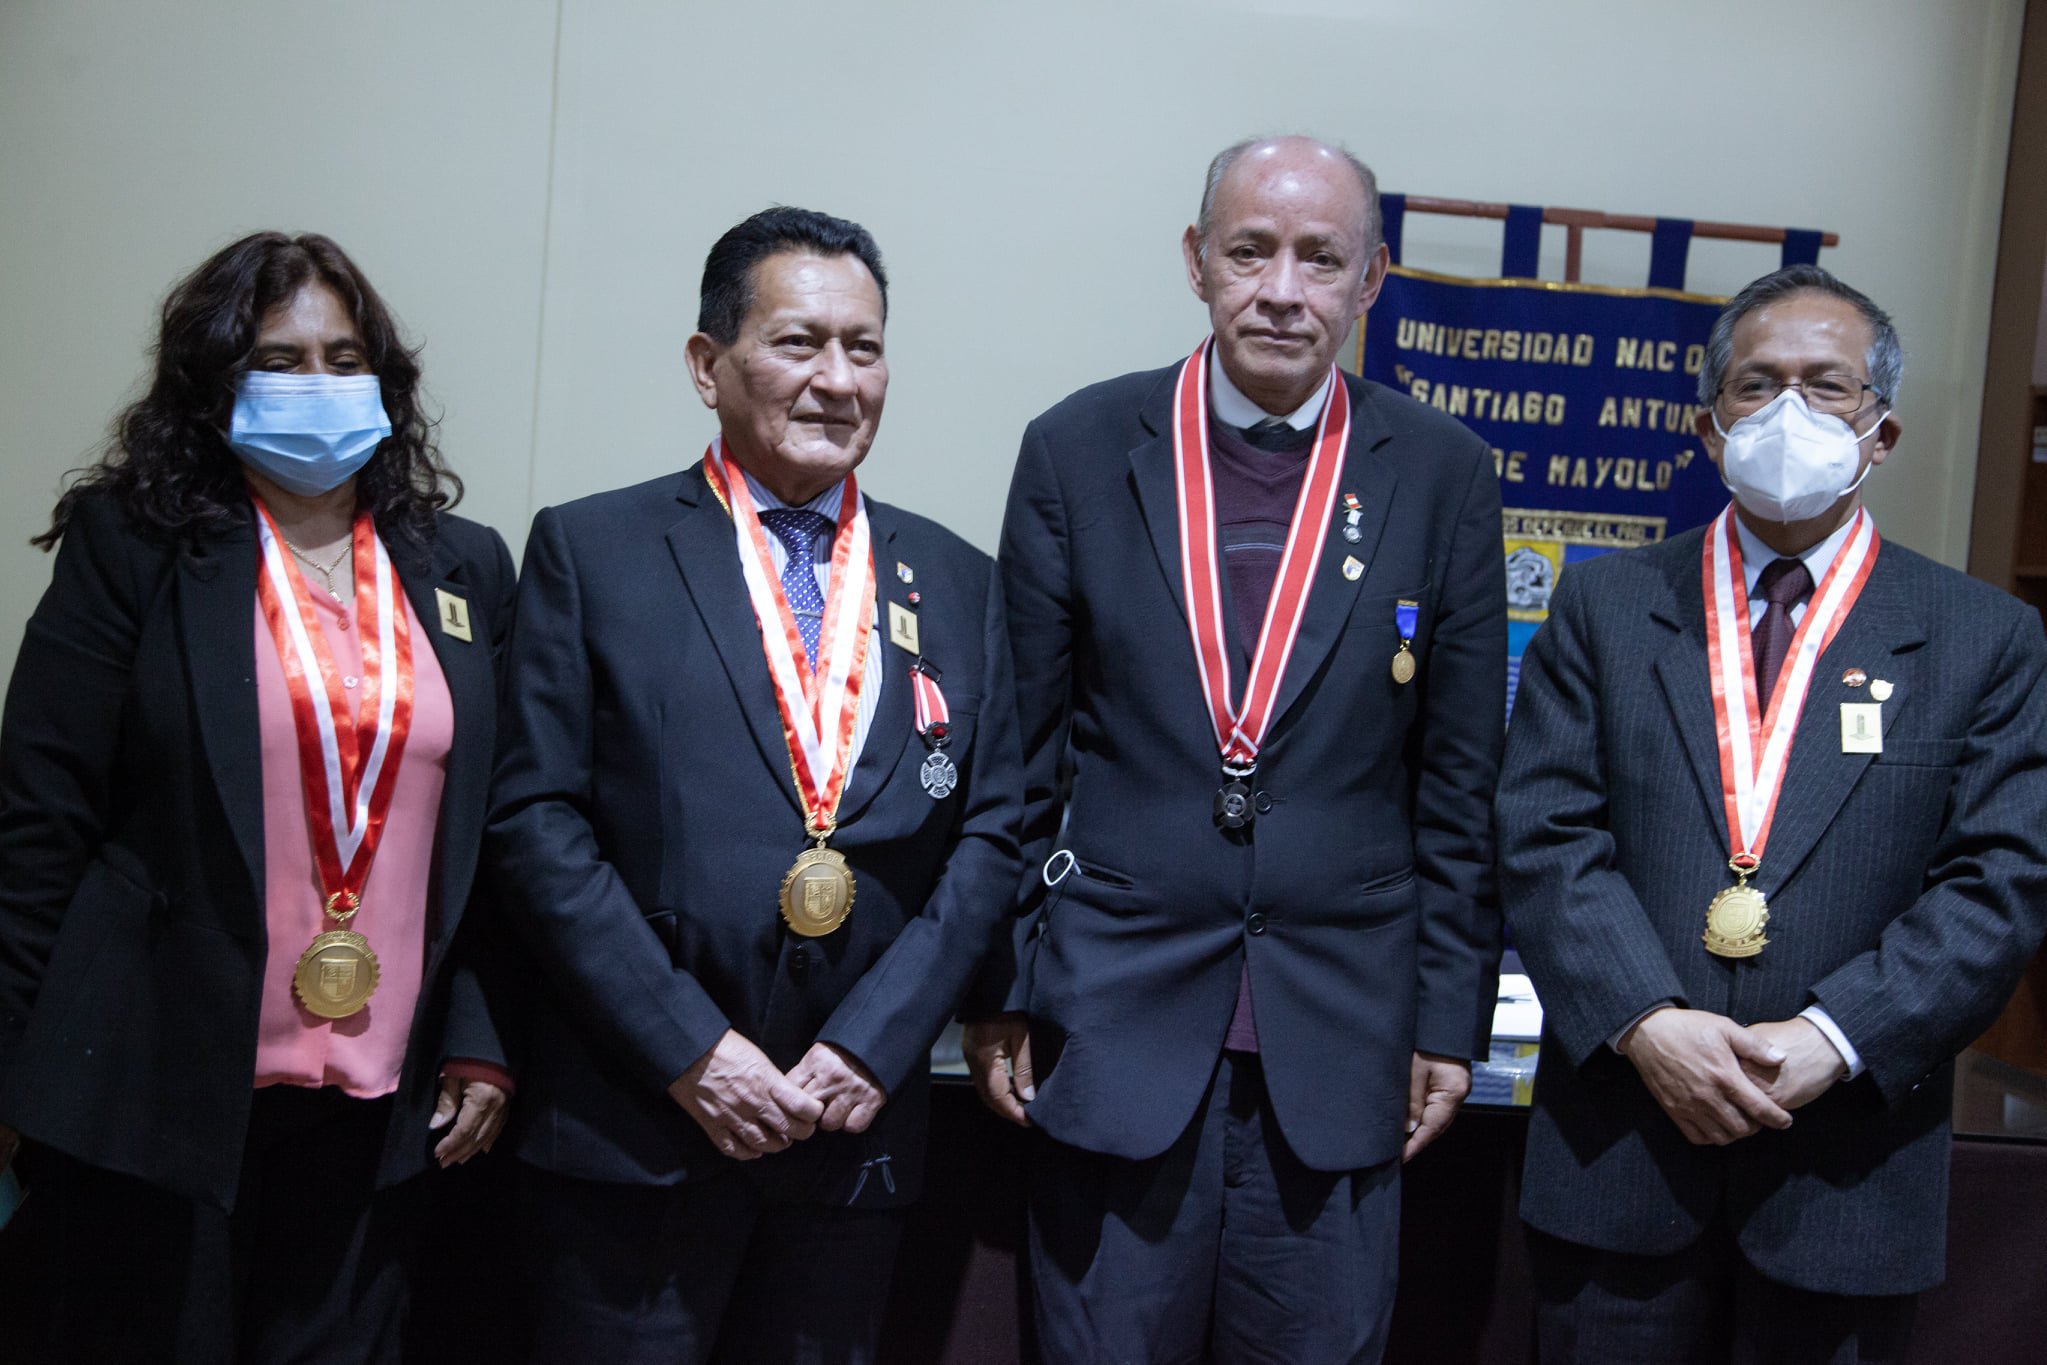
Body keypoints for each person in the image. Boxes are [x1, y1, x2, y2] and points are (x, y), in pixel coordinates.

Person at [963, 135, 1508, 1363]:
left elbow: (1462, 783)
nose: (1281, 288)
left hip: (1343, 1032)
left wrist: (1445, 1020)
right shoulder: (1078, 448)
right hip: (1114, 1019)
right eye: (1250, 250)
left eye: (1322, 259)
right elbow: (1019, 751)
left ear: (1371, 281)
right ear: (1197, 261)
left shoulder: (1442, 472)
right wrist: (997, 985)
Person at [487, 206, 1022, 1364]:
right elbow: (536, 822)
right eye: (797, 343)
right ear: (706, 364)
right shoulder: (596, 552)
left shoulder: (960, 582)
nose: (838, 379)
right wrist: (690, 1049)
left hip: (850, 1127)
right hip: (637, 1123)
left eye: (864, 347)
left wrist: (876, 1042)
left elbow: (993, 834)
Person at [1497, 263, 2047, 1363]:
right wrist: (1649, 1023)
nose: (1787, 411)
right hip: (1622, 1156)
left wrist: (1834, 1038)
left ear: (1880, 431)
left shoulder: (1981, 637)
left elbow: (1998, 883)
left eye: (1825, 386)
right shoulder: (1606, 605)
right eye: (1756, 385)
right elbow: (1544, 832)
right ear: (1708, 427)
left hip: (1845, 1165)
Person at [0, 231, 516, 1363]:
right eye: (280, 360)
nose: (317, 387)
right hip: (158, 1079)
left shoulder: (463, 566)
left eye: (343, 358)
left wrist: (479, 1037)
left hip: (382, 1094)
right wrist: (17, 1068)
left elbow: (489, 836)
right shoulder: (133, 544)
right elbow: (42, 815)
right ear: (215, 382)